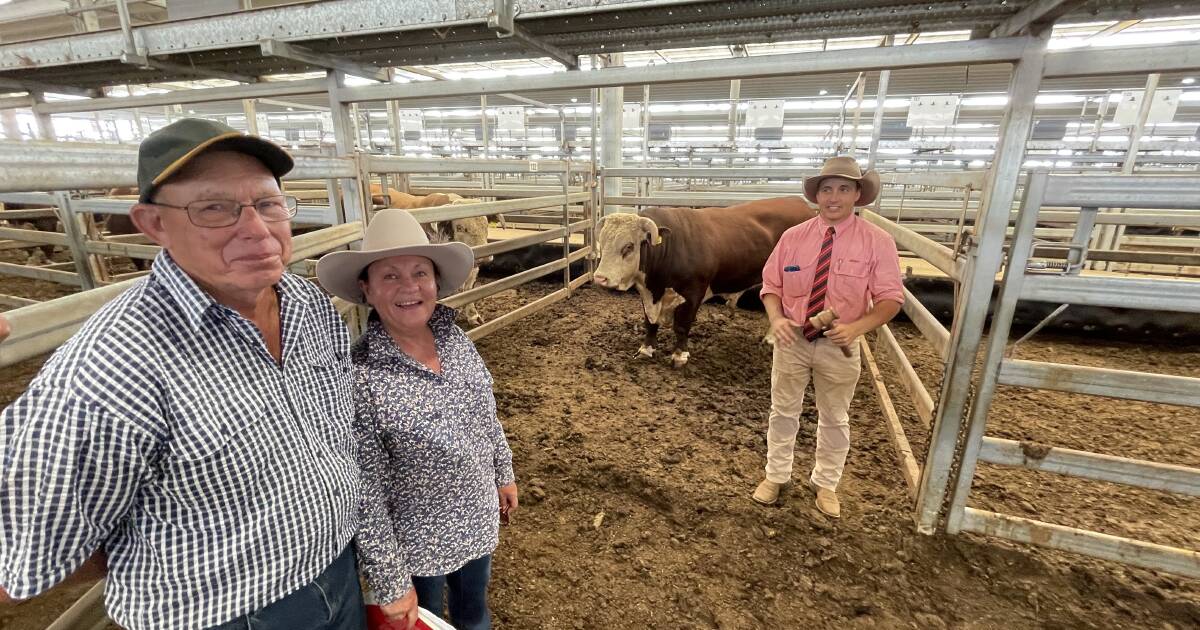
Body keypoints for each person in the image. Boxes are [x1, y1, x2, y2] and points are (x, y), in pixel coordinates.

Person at [0, 118, 363, 630]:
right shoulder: (111, 368)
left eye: (267, 204)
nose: (257, 230)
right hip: (220, 614)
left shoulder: (308, 304)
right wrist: (180, 553)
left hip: (336, 573)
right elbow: (22, 554)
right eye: (213, 208)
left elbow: (336, 435)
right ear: (154, 225)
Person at [317, 209, 517, 630]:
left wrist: (504, 472)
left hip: (477, 516)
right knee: (424, 623)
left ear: (435, 282)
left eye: (419, 273)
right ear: (365, 289)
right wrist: (390, 580)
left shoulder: (454, 337)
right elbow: (365, 489)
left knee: (475, 614)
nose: (409, 287)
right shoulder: (360, 375)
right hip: (415, 545)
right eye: (390, 276)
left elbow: (485, 411)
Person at [752, 156, 904, 518]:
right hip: (793, 340)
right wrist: (776, 318)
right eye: (826, 189)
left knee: (835, 416)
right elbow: (771, 285)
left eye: (843, 189)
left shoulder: (877, 242)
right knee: (783, 410)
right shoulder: (792, 238)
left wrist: (857, 327)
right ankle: (776, 475)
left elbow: (890, 298)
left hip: (840, 345)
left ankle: (826, 484)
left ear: (857, 195)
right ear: (816, 196)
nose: (833, 197)